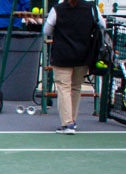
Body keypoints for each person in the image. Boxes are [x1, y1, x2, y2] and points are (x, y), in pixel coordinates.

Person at [43, 0, 104, 133]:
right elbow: (102, 25)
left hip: (62, 55)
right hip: (83, 55)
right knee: (76, 87)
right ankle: (72, 121)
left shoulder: (57, 9)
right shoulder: (91, 8)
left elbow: (46, 30)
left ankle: (67, 123)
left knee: (64, 88)